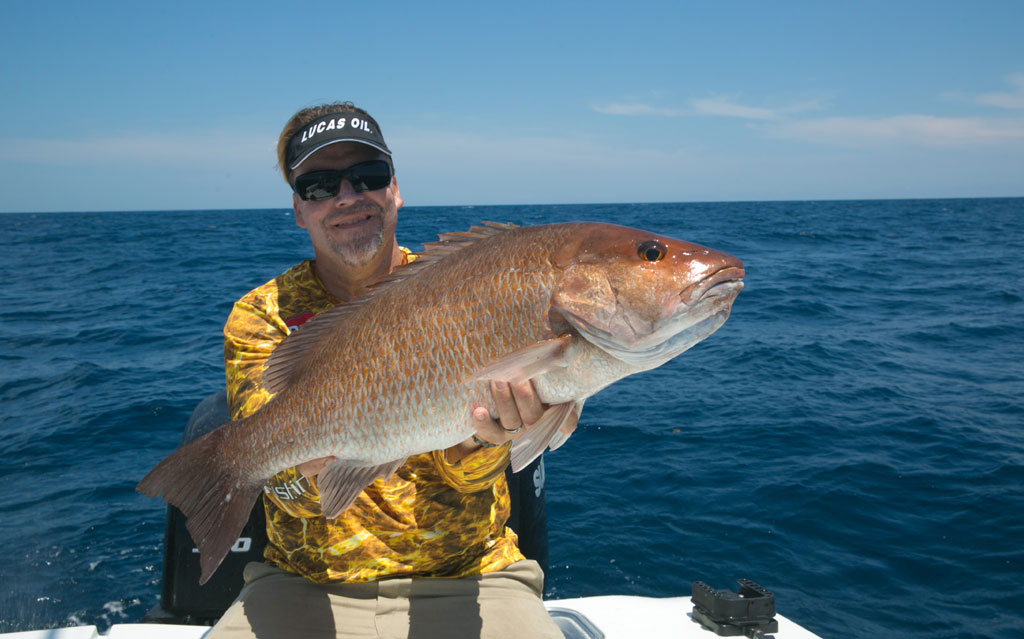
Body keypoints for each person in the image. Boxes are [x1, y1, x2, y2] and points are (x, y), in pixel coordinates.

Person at [207, 102, 574, 639]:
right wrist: (301, 467)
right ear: (298, 209)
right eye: (320, 185)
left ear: (395, 189)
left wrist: (486, 440)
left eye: (368, 176)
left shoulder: (463, 287)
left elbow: (470, 480)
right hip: (305, 582)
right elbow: (288, 495)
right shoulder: (261, 316)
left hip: (471, 576)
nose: (349, 197)